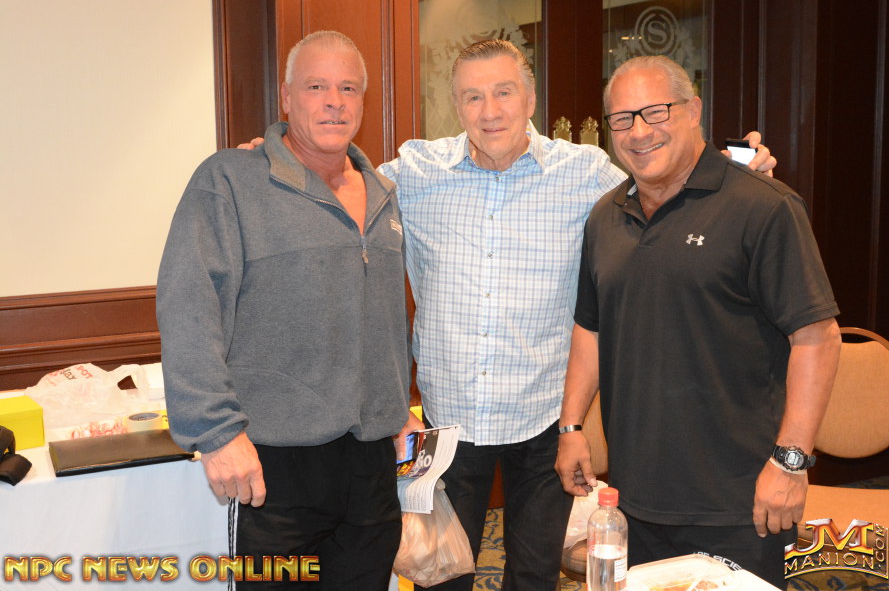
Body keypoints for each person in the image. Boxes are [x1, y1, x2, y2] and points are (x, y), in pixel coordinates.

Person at [240, 39, 773, 590]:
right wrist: (276, 158)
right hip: (449, 423)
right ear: (455, 105)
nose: (489, 111)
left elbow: (666, 180)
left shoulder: (586, 172)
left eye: (504, 92)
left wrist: (738, 171)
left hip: (543, 420)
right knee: (441, 576)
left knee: (534, 577)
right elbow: (335, 183)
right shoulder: (415, 172)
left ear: (531, 99)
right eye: (472, 97)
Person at [554, 55, 841, 589]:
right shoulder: (604, 217)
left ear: (693, 111)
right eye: (622, 118)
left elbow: (817, 338)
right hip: (634, 498)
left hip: (741, 500)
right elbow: (590, 329)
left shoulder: (764, 207)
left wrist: (791, 462)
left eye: (655, 111)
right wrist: (571, 427)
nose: (639, 132)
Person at [157, 31, 417, 590]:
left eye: (348, 88)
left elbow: (384, 318)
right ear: (286, 96)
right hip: (271, 467)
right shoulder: (229, 180)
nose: (334, 102)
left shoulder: (383, 193)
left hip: (370, 465)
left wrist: (396, 407)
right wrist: (215, 431)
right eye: (316, 86)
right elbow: (189, 305)